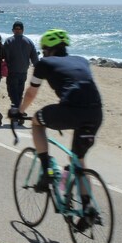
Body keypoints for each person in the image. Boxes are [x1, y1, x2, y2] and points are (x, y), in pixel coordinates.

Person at [10, 29, 103, 228]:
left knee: (36, 121)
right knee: (78, 160)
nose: (43, 55)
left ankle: (46, 172)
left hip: (70, 110)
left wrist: (19, 111)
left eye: (44, 51)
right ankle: (87, 209)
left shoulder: (44, 64)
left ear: (48, 50)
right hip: (95, 113)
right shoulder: (82, 60)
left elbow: (31, 93)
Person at [2, 21, 40, 124]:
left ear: (13, 30)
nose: (17, 30)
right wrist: (39, 71)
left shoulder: (8, 41)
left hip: (12, 71)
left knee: (12, 93)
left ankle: (18, 113)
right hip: (23, 72)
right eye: (17, 29)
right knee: (19, 93)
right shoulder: (29, 42)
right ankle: (19, 113)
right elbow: (35, 59)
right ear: (22, 30)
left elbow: (2, 55)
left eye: (17, 29)